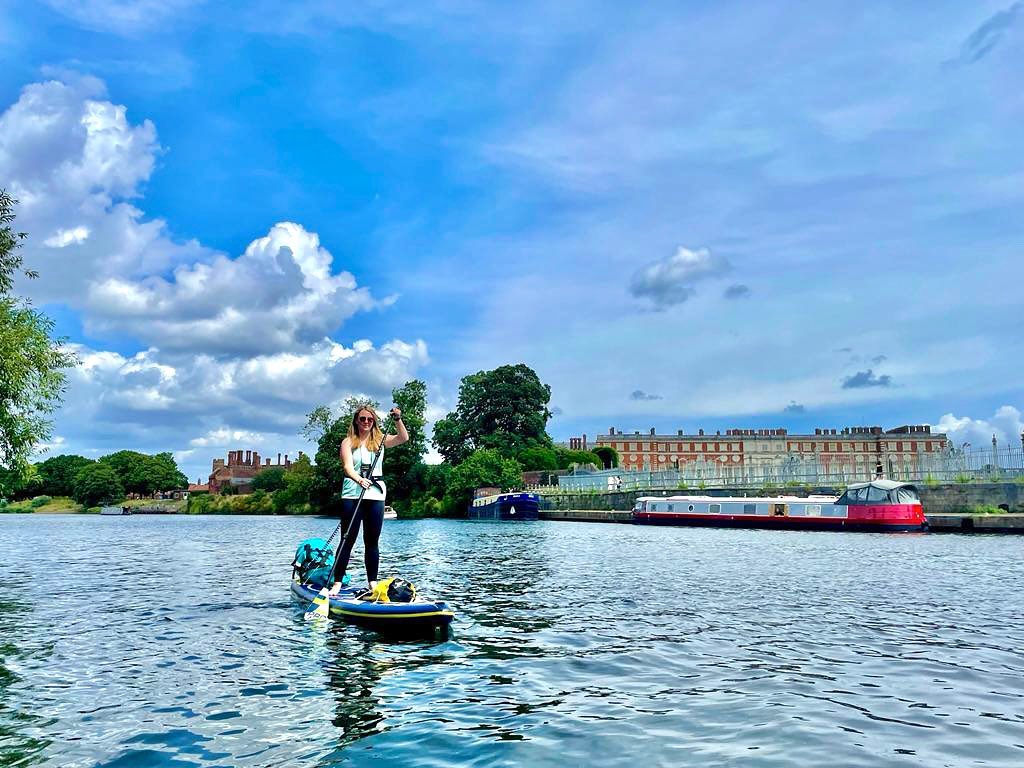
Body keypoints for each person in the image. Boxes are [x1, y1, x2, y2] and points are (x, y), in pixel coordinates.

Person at [329, 404, 408, 595]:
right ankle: (337, 582)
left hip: (375, 495)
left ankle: (372, 582)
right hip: (352, 494)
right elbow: (348, 467)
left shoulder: (380, 440)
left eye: (370, 419)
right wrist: (359, 479)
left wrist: (398, 419)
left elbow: (403, 438)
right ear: (357, 420)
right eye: (363, 419)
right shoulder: (348, 442)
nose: (366, 422)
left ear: (374, 422)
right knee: (347, 540)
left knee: (372, 541)